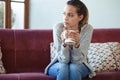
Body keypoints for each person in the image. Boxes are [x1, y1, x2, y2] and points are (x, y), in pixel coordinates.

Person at [45, 0, 96, 80]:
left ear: (80, 17)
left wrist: (77, 45)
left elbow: (77, 61)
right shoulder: (58, 28)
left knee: (74, 68)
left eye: (70, 15)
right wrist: (64, 44)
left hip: (80, 64)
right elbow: (63, 60)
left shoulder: (87, 29)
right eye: (64, 14)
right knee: (63, 68)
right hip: (59, 63)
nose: (65, 18)